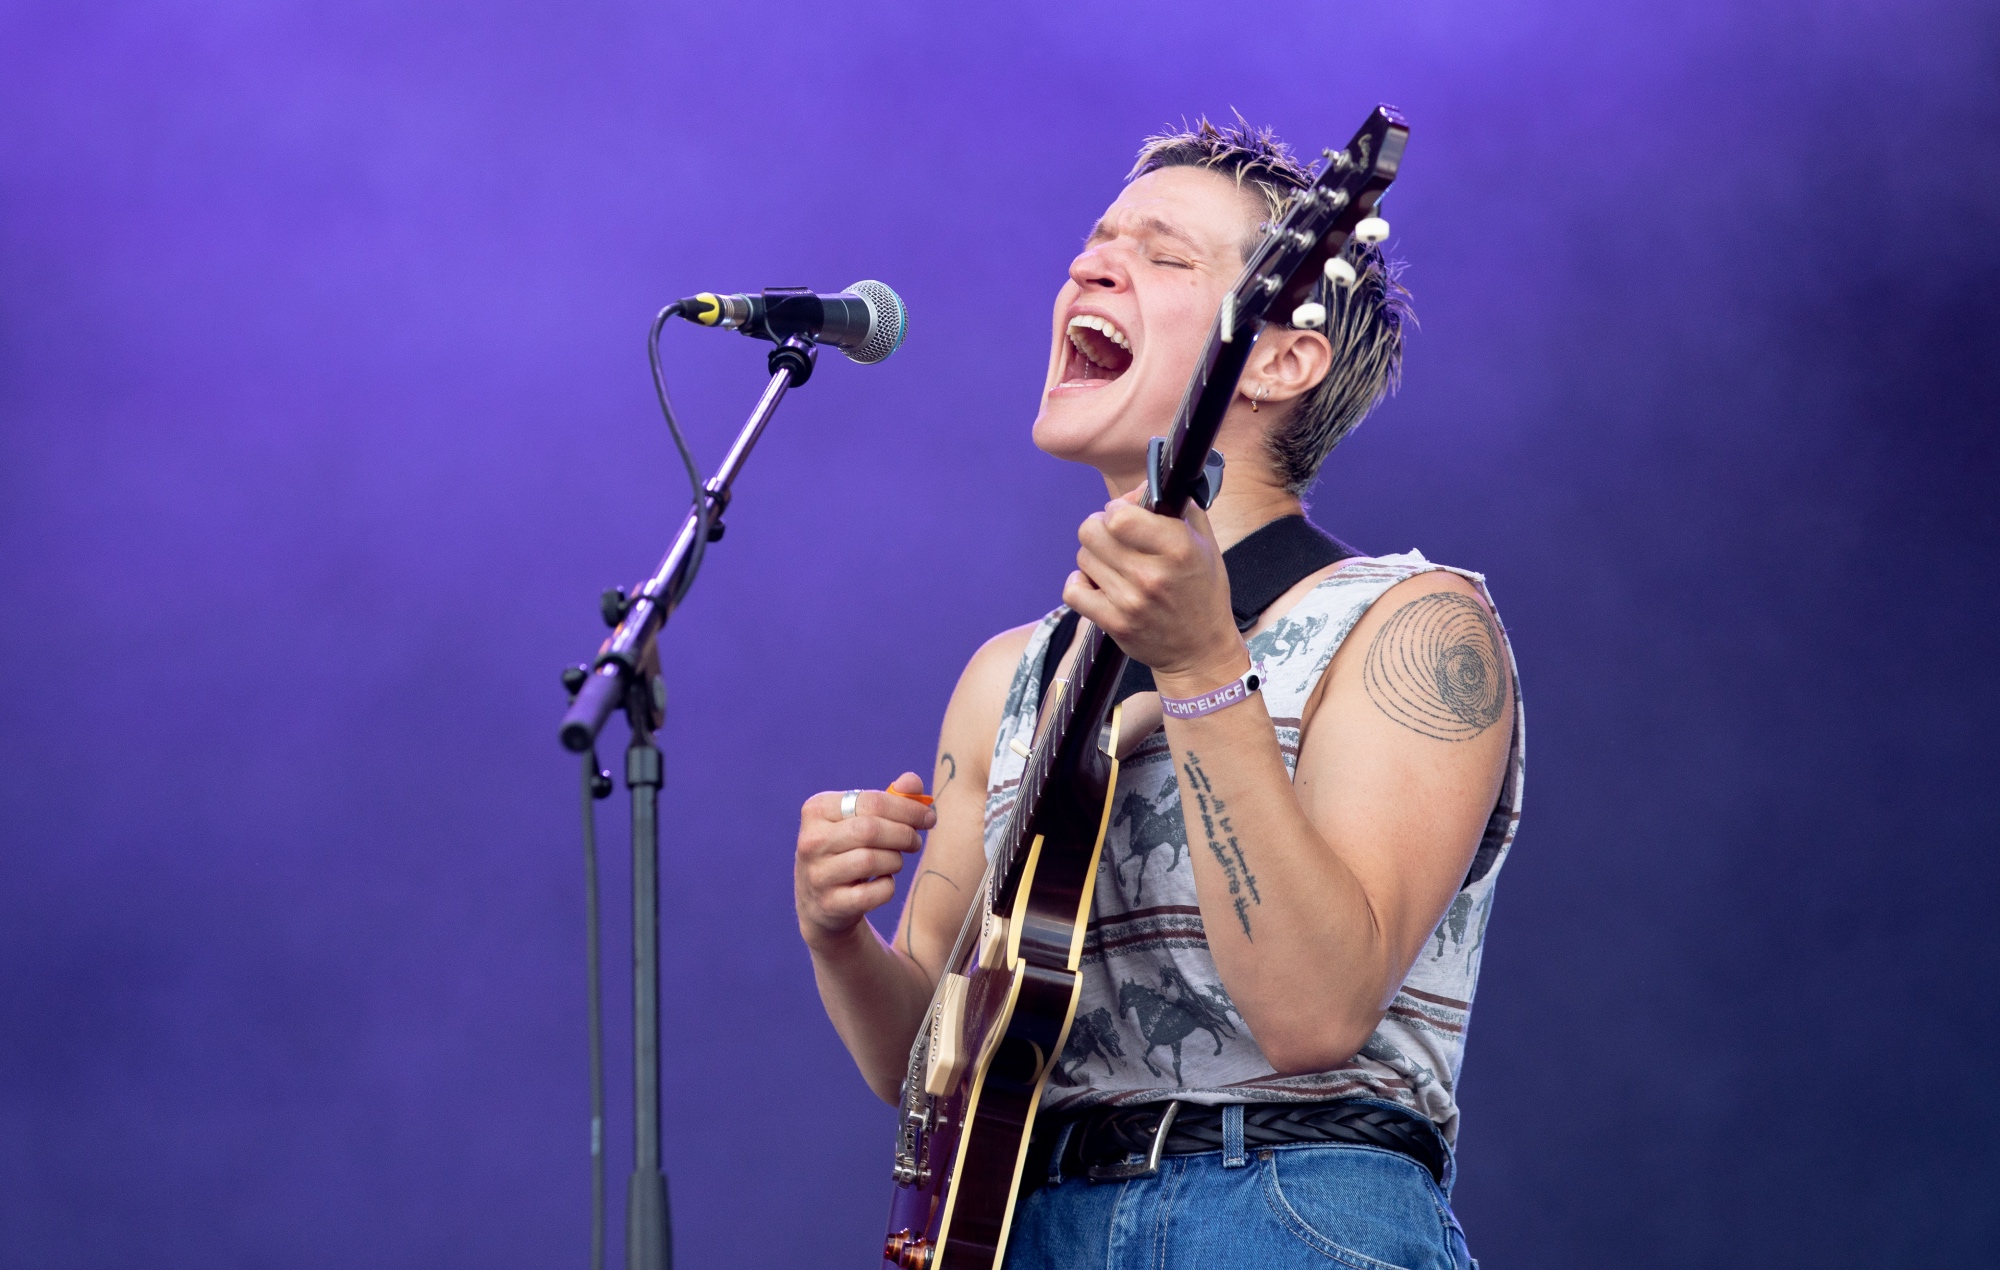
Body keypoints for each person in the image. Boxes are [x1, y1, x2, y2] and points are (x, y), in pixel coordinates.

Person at [793, 118, 1524, 1270]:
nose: (1089, 264)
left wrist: (1198, 668)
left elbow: (1315, 1013)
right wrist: (837, 936)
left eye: (1163, 253)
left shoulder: (1409, 622)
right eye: (1096, 239)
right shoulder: (1006, 678)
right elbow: (931, 1061)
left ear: (1278, 360)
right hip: (1028, 1222)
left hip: (1282, 1206)